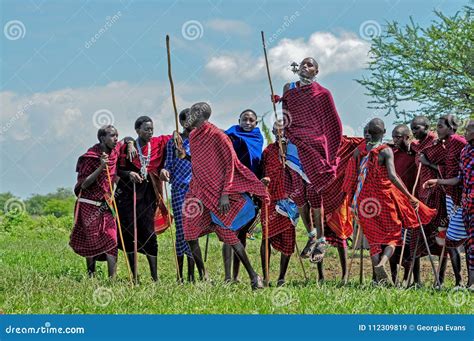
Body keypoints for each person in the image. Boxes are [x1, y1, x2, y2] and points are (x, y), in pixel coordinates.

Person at [182, 102, 267, 290]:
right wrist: (184, 155)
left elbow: (231, 164)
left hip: (218, 193)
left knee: (229, 234)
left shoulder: (219, 136)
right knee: (189, 232)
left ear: (202, 116)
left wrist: (225, 194)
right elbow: (199, 163)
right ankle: (204, 276)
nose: (189, 115)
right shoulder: (194, 136)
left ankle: (254, 276)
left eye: (193, 113)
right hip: (196, 191)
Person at [343, 118, 436, 284]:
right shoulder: (386, 151)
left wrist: (352, 200)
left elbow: (352, 174)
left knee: (373, 240)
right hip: (384, 199)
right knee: (393, 236)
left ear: (368, 133)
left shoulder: (360, 150)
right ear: (384, 133)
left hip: (365, 201)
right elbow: (393, 177)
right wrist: (409, 196)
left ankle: (376, 280)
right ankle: (382, 264)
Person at [274, 57, 343, 263]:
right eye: (303, 64)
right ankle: (311, 234)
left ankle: (321, 238)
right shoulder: (289, 88)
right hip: (294, 143)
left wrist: (329, 151)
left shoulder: (323, 94)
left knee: (313, 191)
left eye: (310, 65)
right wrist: (282, 135)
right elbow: (285, 115)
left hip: (314, 146)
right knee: (298, 191)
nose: (305, 66)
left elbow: (333, 123)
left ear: (317, 71)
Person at [116, 116, 171, 282]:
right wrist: (129, 174)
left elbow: (176, 136)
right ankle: (134, 276)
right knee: (128, 235)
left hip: (149, 197)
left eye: (152, 129)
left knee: (149, 234)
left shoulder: (157, 144)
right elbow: (116, 169)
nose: (150, 132)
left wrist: (164, 169)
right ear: (137, 130)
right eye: (146, 129)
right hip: (128, 197)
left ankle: (155, 277)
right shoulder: (127, 147)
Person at [423, 120, 474, 289]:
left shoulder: (459, 143)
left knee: (455, 239)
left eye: (440, 126)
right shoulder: (462, 149)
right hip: (459, 199)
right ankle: (466, 283)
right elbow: (457, 174)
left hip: (462, 199)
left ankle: (465, 282)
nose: (465, 132)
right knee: (467, 242)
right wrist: (437, 180)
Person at [70, 125, 121, 278]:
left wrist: (112, 194)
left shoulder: (115, 152)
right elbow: (84, 184)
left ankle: (112, 279)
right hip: (89, 204)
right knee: (91, 240)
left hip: (106, 204)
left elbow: (115, 176)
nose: (116, 138)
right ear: (102, 138)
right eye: (112, 135)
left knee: (112, 238)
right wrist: (101, 167)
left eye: (117, 135)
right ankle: (91, 275)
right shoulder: (90, 157)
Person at [222, 109, 264, 282]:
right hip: (231, 187)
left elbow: (257, 161)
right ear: (238, 120)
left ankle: (237, 276)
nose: (248, 122)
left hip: (249, 190)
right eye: (244, 119)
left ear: (256, 123)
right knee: (228, 231)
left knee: (241, 234)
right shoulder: (230, 135)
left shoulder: (258, 138)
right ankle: (227, 276)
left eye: (251, 120)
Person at [409, 115, 446, 286]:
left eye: (417, 128)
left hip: (437, 196)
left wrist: (428, 162)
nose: (414, 132)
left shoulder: (437, 144)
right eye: (412, 128)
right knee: (415, 237)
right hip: (420, 198)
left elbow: (447, 169)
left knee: (441, 238)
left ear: (426, 127)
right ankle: (416, 281)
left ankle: (440, 280)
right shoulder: (415, 147)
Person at [161, 109, 195, 283]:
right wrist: (165, 171)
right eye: (187, 120)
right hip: (179, 190)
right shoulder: (173, 143)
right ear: (181, 122)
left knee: (193, 231)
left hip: (197, 191)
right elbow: (168, 163)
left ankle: (193, 274)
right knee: (181, 231)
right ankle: (180, 275)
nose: (191, 123)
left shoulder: (200, 141)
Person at [260, 121, 296, 286]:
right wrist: (264, 180)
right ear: (273, 131)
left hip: (289, 199)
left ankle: (281, 277)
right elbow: (263, 171)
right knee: (266, 237)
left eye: (283, 128)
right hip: (270, 197)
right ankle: (266, 277)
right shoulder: (268, 150)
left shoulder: (294, 150)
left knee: (289, 239)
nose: (280, 131)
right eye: (277, 129)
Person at [387, 124, 417, 283]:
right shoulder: (391, 154)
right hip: (392, 205)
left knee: (409, 244)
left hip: (410, 206)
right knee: (392, 242)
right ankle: (393, 278)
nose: (395, 140)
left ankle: (407, 279)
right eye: (393, 137)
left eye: (398, 137)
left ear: (407, 137)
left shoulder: (416, 154)